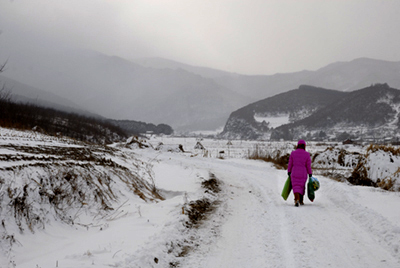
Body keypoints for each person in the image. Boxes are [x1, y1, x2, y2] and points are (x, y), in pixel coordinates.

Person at [287, 139, 312, 207]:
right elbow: (308, 165)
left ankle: (296, 199)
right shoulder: (307, 154)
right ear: (304, 146)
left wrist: (289, 171)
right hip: (303, 173)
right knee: (301, 186)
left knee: (295, 186)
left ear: (297, 145)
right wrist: (310, 173)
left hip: (294, 172)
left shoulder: (293, 153)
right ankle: (301, 200)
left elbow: (290, 164)